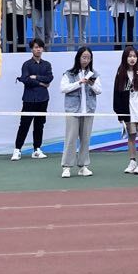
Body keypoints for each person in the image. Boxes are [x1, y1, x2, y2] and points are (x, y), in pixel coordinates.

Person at [59, 46, 100, 178]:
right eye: (84, 57)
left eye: (88, 58)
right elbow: (63, 88)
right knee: (71, 138)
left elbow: (99, 90)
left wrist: (91, 84)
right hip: (73, 110)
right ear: (78, 57)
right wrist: (79, 83)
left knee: (85, 139)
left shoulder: (94, 74)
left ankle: (83, 166)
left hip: (88, 110)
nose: (86, 60)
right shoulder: (69, 73)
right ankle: (67, 166)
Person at [113, 45, 138, 174]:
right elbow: (116, 94)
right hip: (128, 110)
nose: (132, 59)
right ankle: (132, 161)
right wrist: (119, 115)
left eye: (134, 56)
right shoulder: (120, 73)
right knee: (131, 136)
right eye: (130, 56)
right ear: (125, 58)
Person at [12, 37, 52, 160]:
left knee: (39, 125)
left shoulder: (47, 64)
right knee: (24, 125)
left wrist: (36, 77)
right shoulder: (27, 64)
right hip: (29, 99)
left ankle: (37, 149)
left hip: (43, 99)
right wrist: (41, 83)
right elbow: (25, 80)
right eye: (36, 47)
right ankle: (17, 150)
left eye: (40, 47)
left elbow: (49, 78)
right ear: (32, 49)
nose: (38, 49)